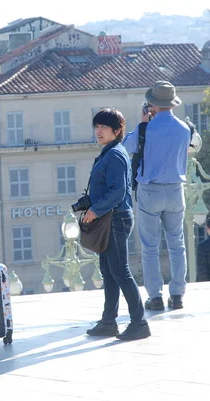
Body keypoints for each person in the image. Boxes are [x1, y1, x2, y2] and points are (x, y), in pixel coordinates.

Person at [84, 107, 151, 341]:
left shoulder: (113, 155)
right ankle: (108, 322)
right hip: (110, 218)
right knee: (109, 272)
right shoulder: (108, 152)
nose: (98, 131)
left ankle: (139, 323)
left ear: (117, 130)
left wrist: (94, 209)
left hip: (115, 218)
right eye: (97, 126)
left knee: (120, 271)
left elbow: (119, 190)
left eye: (104, 127)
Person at [123, 81, 191, 310]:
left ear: (152, 104)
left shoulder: (146, 129)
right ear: (172, 103)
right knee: (177, 244)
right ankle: (178, 294)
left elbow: (125, 147)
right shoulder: (184, 129)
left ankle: (155, 297)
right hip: (175, 190)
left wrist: (142, 123)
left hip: (150, 191)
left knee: (150, 247)